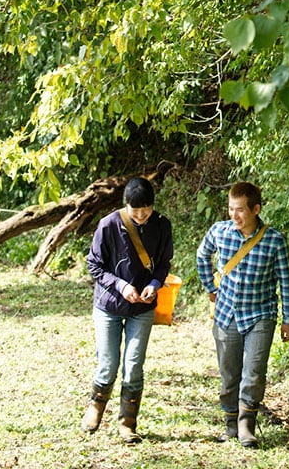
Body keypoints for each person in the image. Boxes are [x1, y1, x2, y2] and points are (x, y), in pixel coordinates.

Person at [196, 181, 289, 448]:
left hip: (261, 315)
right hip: (226, 314)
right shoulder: (220, 232)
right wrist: (210, 287)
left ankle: (246, 425)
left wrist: (288, 318)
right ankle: (230, 422)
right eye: (230, 209)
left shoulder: (274, 240)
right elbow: (202, 254)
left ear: (256, 209)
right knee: (229, 375)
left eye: (240, 210)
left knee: (254, 372)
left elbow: (285, 280)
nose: (234, 215)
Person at [82, 177, 173, 443]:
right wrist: (121, 286)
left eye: (146, 210)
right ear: (126, 206)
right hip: (109, 305)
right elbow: (95, 265)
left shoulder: (162, 225)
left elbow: (164, 263)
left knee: (133, 365)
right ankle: (95, 407)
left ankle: (127, 422)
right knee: (107, 363)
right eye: (136, 211)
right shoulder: (109, 225)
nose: (142, 216)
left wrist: (155, 284)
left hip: (142, 308)